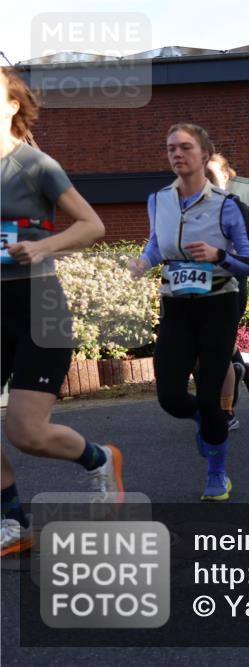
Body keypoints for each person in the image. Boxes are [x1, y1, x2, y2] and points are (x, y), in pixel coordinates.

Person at [1, 68, 123, 556]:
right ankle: (13, 520)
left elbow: (93, 224)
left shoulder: (36, 165)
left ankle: (99, 459)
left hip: (39, 304)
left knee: (25, 432)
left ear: (12, 105)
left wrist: (44, 245)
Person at [128, 123, 249, 501]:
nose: (177, 154)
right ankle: (203, 419)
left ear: (204, 155)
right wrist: (143, 262)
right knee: (170, 396)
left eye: (185, 147)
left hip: (218, 304)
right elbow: (157, 244)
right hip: (176, 304)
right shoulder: (158, 200)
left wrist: (219, 256)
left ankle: (217, 474)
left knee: (209, 393)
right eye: (171, 148)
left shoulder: (228, 206)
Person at [206, 154, 249, 430]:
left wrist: (222, 258)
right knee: (208, 344)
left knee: (218, 342)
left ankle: (225, 411)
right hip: (199, 287)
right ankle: (243, 367)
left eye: (211, 175)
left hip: (230, 285)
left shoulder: (236, 207)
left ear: (225, 178)